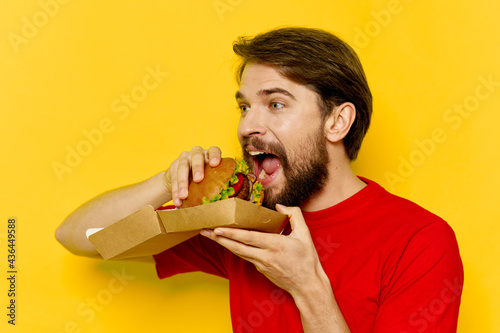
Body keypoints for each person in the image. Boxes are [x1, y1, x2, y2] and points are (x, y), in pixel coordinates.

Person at [56, 27, 463, 332]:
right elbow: (79, 236)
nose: (248, 124)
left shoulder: (420, 241)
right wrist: (167, 182)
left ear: (337, 121)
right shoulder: (240, 223)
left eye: (275, 103)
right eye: (245, 107)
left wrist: (308, 288)